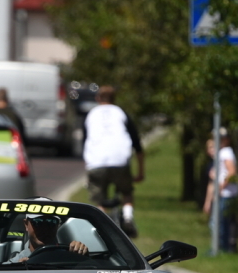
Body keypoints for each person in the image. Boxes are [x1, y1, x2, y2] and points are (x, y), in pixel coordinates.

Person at [82, 87, 144, 237]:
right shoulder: (121, 113)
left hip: (96, 161)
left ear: (98, 98)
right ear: (114, 99)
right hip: (120, 160)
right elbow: (137, 145)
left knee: (99, 198)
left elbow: (86, 142)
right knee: (126, 192)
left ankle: (102, 227)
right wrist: (141, 171)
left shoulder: (91, 115)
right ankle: (128, 217)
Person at [202, 133, 238, 252]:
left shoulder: (225, 153)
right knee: (223, 223)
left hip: (225, 194)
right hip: (226, 194)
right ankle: (224, 248)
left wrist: (221, 187)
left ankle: (220, 248)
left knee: (219, 223)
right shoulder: (224, 153)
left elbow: (232, 172)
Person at [8, 211, 88, 263]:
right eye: (38, 222)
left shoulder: (70, 257)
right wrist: (17, 269)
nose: (44, 229)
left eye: (51, 222)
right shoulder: (15, 263)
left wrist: (81, 254)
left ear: (57, 226)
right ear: (26, 224)